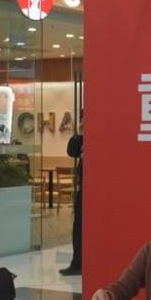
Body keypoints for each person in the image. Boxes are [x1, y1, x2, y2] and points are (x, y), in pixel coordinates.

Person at [60, 112, 83, 276]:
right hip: (84, 188)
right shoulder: (81, 136)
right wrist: (80, 134)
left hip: (100, 189)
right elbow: (71, 151)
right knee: (78, 225)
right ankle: (77, 262)